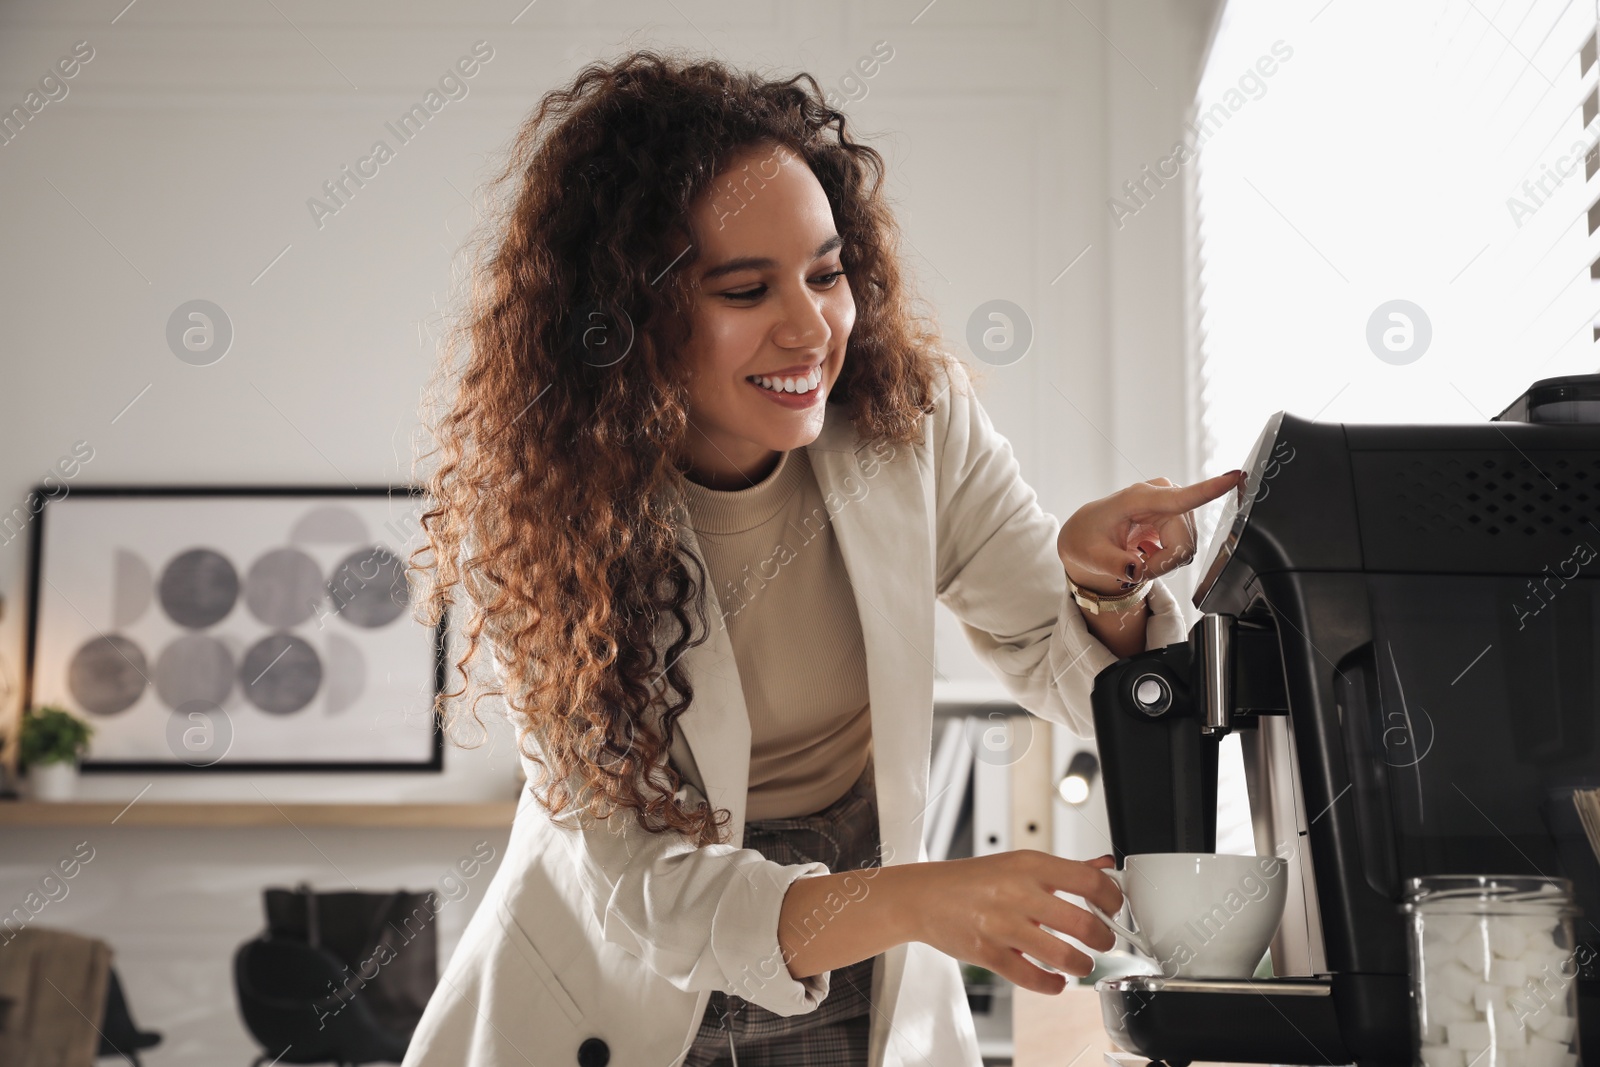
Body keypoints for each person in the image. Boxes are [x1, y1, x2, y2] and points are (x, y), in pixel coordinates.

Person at [401, 50, 1244, 1067]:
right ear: (626, 319)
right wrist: (926, 896)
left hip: (872, 947)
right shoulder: (541, 518)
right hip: (625, 988)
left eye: (827, 271)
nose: (810, 327)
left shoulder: (912, 418)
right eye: (745, 288)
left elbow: (1057, 655)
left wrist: (1099, 585)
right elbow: (650, 891)